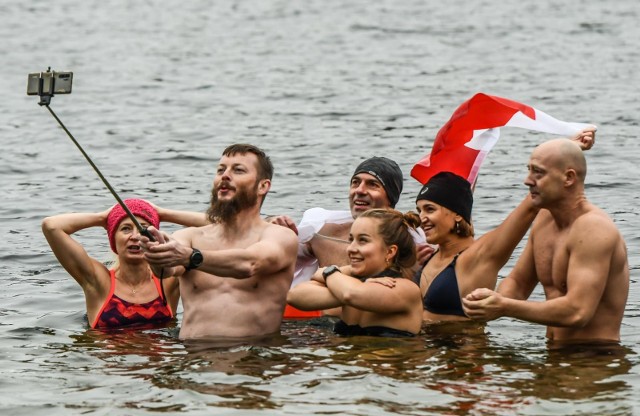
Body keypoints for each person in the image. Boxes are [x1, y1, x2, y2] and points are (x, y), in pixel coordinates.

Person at [413, 129, 597, 324]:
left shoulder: (478, 256)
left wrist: (565, 153)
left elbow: (529, 209)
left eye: (430, 209)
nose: (422, 218)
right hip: (426, 350)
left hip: (461, 351)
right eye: (420, 211)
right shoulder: (429, 256)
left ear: (457, 214)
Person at [462, 138, 629, 344]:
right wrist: (487, 302)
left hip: (595, 358)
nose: (527, 180)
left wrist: (504, 306)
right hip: (553, 353)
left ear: (568, 178)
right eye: (529, 170)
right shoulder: (544, 219)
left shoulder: (593, 228)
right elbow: (519, 283)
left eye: (538, 172)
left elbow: (578, 312)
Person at [140, 144, 299, 340]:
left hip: (253, 359)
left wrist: (191, 257)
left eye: (238, 170)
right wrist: (156, 254)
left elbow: (249, 264)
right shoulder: (190, 236)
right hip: (193, 361)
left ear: (263, 186)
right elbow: (168, 270)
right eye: (221, 170)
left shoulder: (280, 236)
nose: (225, 175)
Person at [267, 156, 431, 317]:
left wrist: (329, 274)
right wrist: (273, 228)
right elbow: (278, 263)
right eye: (355, 182)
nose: (359, 190)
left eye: (372, 184)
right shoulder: (322, 228)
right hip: (326, 325)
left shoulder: (412, 241)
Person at [41, 199, 208, 329]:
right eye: (126, 229)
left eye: (144, 229)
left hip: (156, 369)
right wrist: (102, 218)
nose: (135, 236)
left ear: (154, 236)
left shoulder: (168, 279)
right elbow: (51, 226)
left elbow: (219, 226)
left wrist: (161, 213)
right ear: (113, 238)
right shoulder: (98, 281)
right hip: (112, 370)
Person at [287, 208, 424, 337]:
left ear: (390, 251)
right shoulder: (349, 282)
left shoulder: (406, 289)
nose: (350, 249)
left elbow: (350, 294)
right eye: (351, 239)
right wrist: (354, 284)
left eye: (363, 240)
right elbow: (295, 295)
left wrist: (329, 272)